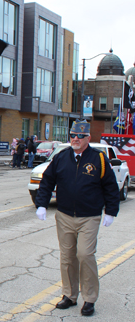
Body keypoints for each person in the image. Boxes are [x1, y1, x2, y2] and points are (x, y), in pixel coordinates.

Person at [35, 119, 119, 317]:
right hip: (64, 215)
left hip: (89, 217)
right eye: (73, 135)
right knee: (67, 257)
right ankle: (70, 295)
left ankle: (89, 298)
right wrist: (41, 204)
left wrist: (111, 211)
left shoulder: (98, 159)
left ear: (88, 138)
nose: (75, 139)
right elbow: (47, 181)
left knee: (85, 255)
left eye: (80, 136)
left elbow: (110, 186)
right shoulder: (61, 158)